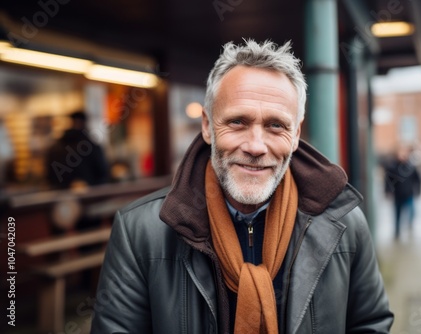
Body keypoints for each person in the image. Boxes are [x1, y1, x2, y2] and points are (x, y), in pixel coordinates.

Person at [91, 40, 393, 334]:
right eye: (237, 122)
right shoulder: (140, 232)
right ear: (208, 126)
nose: (256, 146)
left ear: (296, 134)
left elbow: (370, 324)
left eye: (276, 125)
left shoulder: (345, 223)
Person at [46, 110, 109, 189]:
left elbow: (50, 177)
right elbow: (102, 173)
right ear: (84, 123)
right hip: (91, 196)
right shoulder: (92, 146)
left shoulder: (56, 147)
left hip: (62, 196)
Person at [384, 146, 421, 239]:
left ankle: (409, 225)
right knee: (397, 214)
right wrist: (387, 191)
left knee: (412, 212)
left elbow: (417, 179)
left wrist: (418, 190)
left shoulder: (411, 166)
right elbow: (388, 180)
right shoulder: (392, 167)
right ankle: (397, 232)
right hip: (398, 195)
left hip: (409, 194)